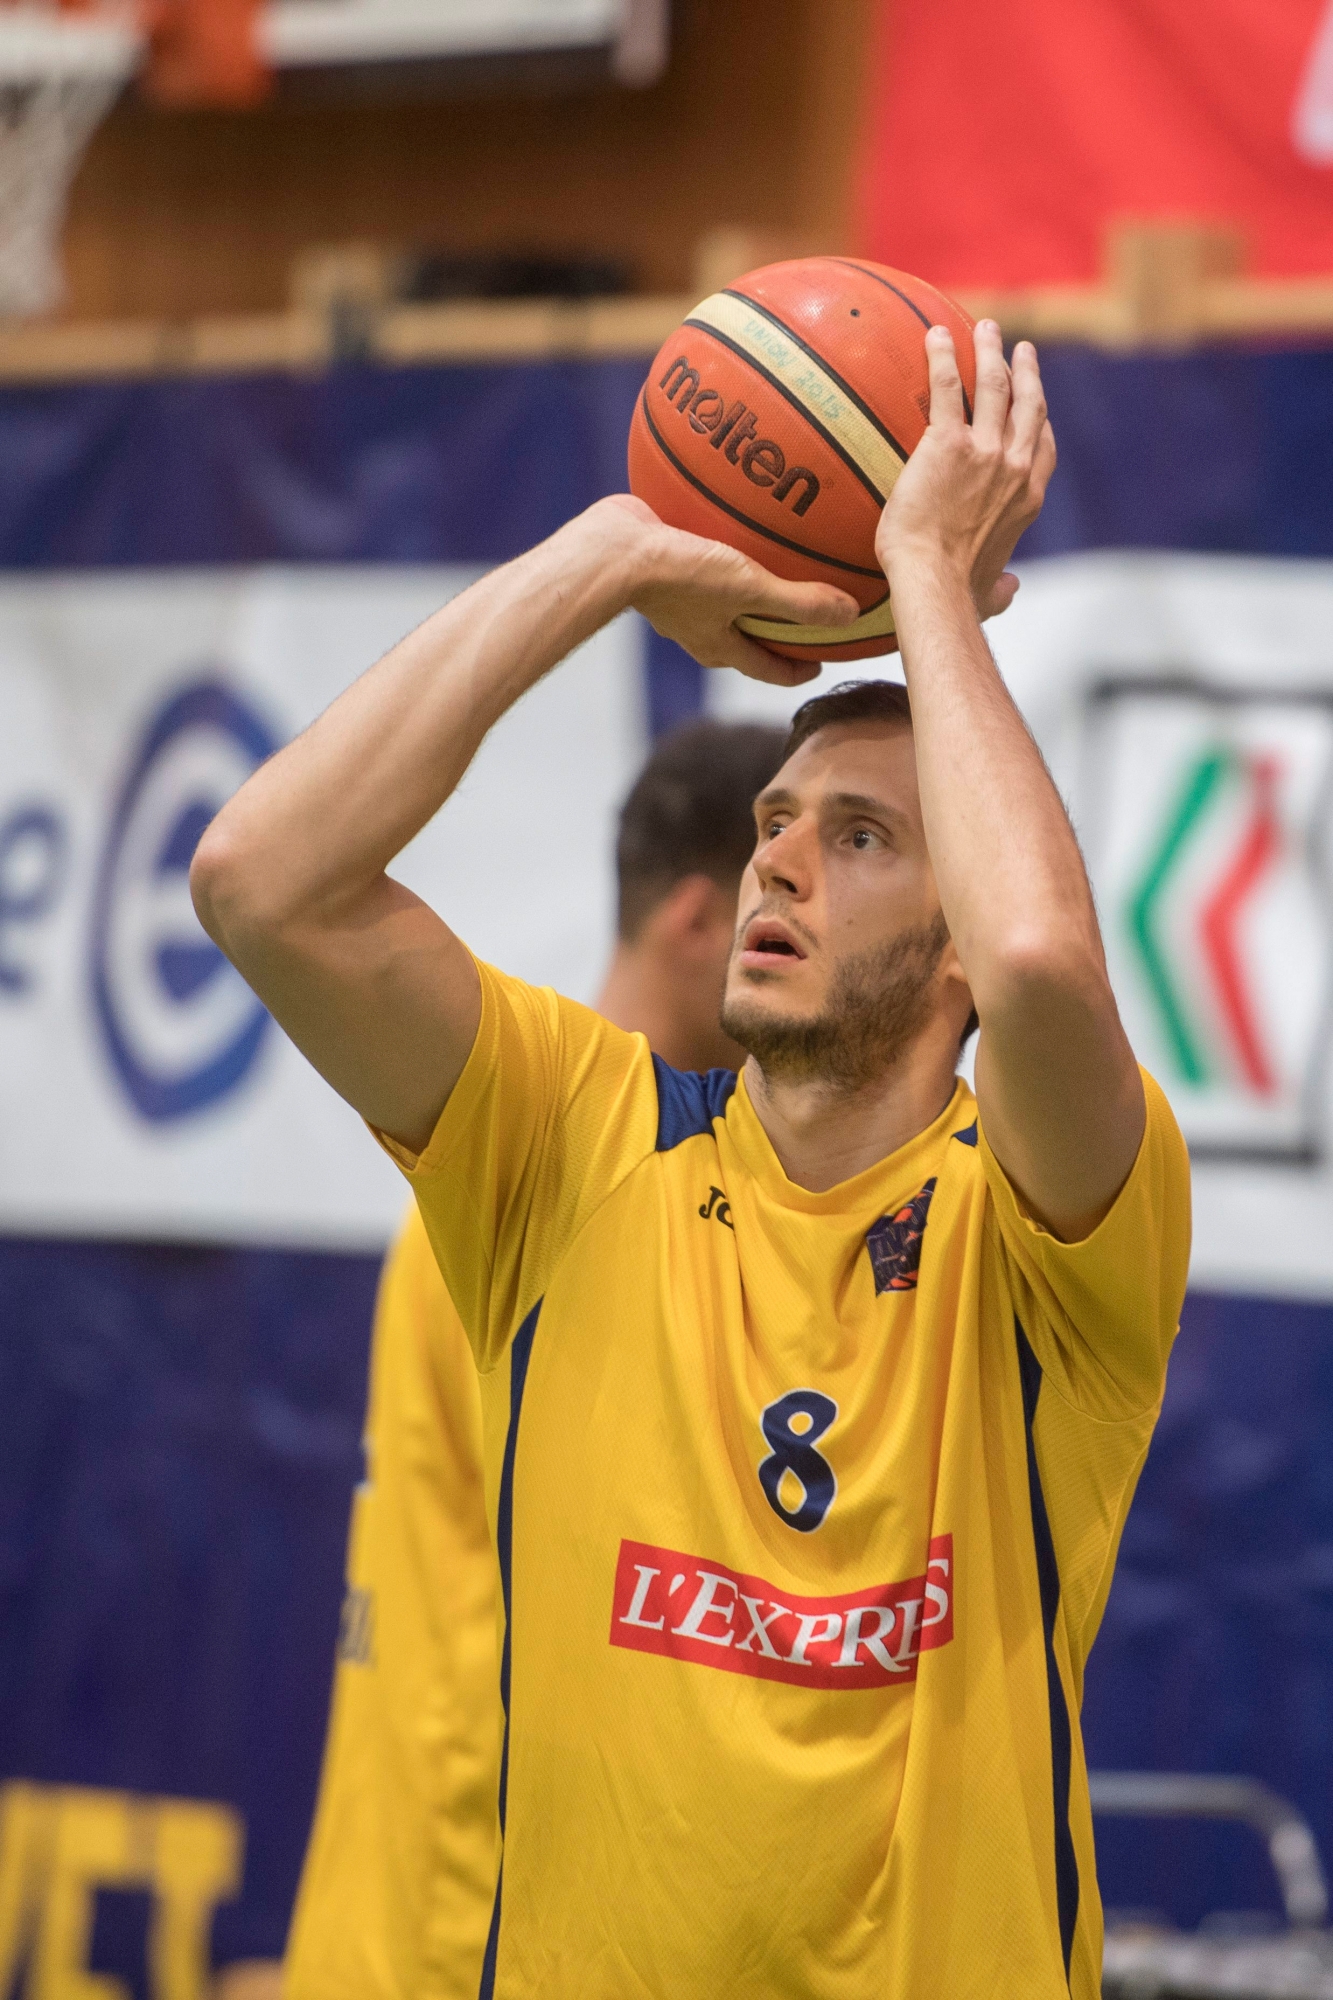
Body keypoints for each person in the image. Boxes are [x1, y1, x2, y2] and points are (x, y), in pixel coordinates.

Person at [193, 322, 1191, 2000]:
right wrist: (609, 553)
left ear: (947, 951)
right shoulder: (576, 1143)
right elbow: (258, 878)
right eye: (769, 825)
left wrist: (925, 579)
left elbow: (1037, 970)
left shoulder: (1037, 1240)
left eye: (858, 836)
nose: (779, 860)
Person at [284, 720, 789, 2000]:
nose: (804, 937)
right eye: (780, 891)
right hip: (477, 1929)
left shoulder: (503, 1164)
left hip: (391, 1915)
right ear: (694, 922)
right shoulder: (580, 1189)